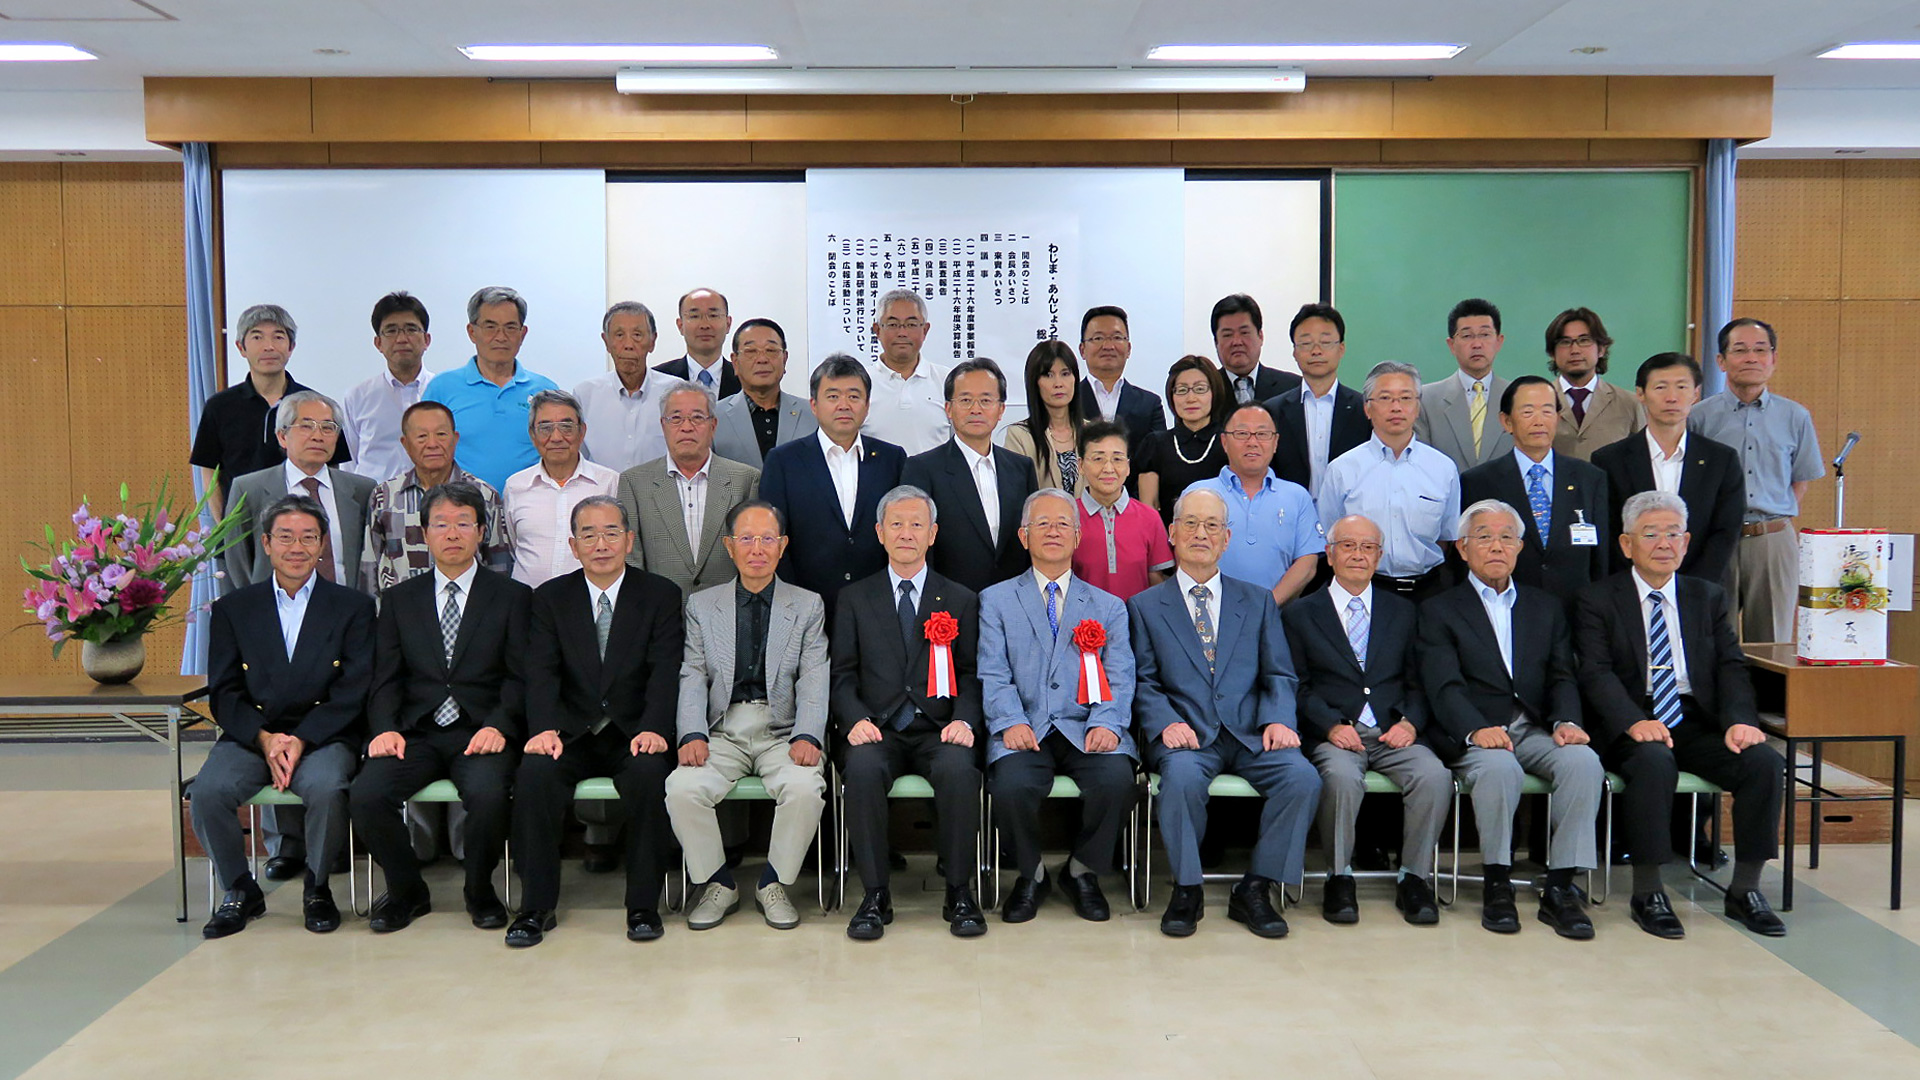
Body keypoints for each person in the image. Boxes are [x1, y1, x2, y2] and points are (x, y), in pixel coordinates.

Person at [1573, 491, 1787, 939]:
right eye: (1650, 534)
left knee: (1764, 761)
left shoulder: (1706, 596)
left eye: (1673, 534)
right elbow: (1595, 673)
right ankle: (1648, 891)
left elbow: (1730, 665)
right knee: (1652, 761)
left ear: (1686, 543)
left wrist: (1739, 721)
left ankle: (1745, 889)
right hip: (1632, 719)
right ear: (1627, 544)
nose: (1664, 543)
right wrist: (1633, 721)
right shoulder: (1598, 599)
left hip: (1696, 719)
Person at [1133, 488, 1319, 939]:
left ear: (1226, 539)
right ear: (1172, 534)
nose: (1201, 533)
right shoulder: (1143, 606)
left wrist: (1278, 718)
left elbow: (1279, 672)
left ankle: (1255, 888)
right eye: (1191, 524)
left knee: (1302, 778)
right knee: (1179, 780)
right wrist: (1166, 723)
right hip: (1188, 736)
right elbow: (1142, 681)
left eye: (1212, 525)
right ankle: (1187, 889)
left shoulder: (1256, 601)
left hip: (1252, 732)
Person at [349, 481, 532, 934]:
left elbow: (521, 675)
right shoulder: (398, 601)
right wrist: (384, 729)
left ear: (482, 532)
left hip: (481, 730)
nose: (452, 533)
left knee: (490, 797)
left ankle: (479, 889)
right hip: (417, 733)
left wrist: (501, 725)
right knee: (367, 794)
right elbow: (385, 677)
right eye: (441, 524)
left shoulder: (512, 596)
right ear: (425, 534)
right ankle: (407, 890)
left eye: (463, 524)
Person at [1418, 499, 1602, 940]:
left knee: (1584, 763)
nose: (1496, 546)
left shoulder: (1545, 607)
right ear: (1462, 548)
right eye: (1484, 536)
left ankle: (1560, 887)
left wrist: (1566, 721)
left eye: (1506, 537)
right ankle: (1497, 883)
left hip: (1535, 728)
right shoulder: (1439, 609)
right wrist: (1475, 728)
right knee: (1499, 769)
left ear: (1520, 547)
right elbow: (1443, 685)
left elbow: (1562, 675)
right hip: (1475, 732)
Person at [505, 496, 685, 948]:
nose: (600, 543)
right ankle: (535, 907)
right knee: (535, 775)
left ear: (629, 540)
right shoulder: (551, 598)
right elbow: (541, 670)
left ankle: (643, 905)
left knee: (650, 777)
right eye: (588, 534)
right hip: (570, 732)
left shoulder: (659, 594)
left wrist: (656, 728)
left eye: (610, 533)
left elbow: (667, 669)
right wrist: (543, 726)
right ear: (573, 543)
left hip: (634, 730)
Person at [192, 494, 375, 939]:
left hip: (324, 734)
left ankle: (316, 887)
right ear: (267, 544)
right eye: (286, 537)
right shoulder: (235, 608)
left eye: (308, 537)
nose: (297, 547)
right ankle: (238, 887)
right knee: (208, 791)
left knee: (329, 788)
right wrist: (265, 738)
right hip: (253, 734)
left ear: (322, 545)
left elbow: (354, 689)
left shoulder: (352, 606)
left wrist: (301, 739)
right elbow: (225, 690)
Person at [832, 486, 988, 940]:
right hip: (876, 729)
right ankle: (875, 895)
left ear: (933, 533)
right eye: (896, 524)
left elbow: (973, 672)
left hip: (939, 729)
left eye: (916, 524)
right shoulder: (854, 598)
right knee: (859, 772)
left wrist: (964, 719)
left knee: (961, 772)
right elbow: (841, 673)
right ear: (879, 533)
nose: (906, 533)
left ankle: (959, 892)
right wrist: (855, 718)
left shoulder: (959, 598)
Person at [667, 500, 829, 931]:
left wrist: (809, 735)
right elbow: (692, 674)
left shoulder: (808, 604)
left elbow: (814, 677)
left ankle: (773, 883)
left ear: (782, 546)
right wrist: (691, 733)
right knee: (682, 788)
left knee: (805, 788)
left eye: (767, 539)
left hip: (783, 730)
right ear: (729, 546)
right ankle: (718, 884)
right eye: (746, 539)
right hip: (722, 730)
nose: (757, 548)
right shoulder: (703, 605)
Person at [978, 489, 1137, 924]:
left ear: (1078, 536)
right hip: (1025, 726)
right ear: (1023, 536)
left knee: (1117, 780)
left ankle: (1082, 871)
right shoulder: (995, 600)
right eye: (1042, 524)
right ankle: (1030, 875)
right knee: (1009, 785)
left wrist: (1107, 721)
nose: (1053, 531)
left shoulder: (1108, 607)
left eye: (1063, 523)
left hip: (1085, 725)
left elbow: (1120, 674)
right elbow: (993, 671)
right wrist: (1009, 720)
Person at [1285, 514, 1450, 926]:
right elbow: (1297, 685)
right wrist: (1330, 726)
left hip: (1394, 731)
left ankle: (1414, 877)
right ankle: (1339, 877)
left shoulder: (1405, 612)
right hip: (1335, 733)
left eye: (1367, 547)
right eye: (1348, 546)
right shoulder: (1300, 614)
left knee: (1434, 776)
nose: (1358, 555)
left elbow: (1421, 678)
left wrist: (1411, 722)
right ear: (1329, 553)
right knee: (1340, 779)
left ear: (1379, 556)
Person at [1689, 318, 1825, 643]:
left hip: (1772, 539)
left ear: (1773, 359)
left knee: (1773, 640)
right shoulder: (1698, 417)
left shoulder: (1795, 416)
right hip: (1715, 539)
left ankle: (1770, 697)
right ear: (1721, 361)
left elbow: (1800, 481)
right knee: (1714, 636)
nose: (1751, 358)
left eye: (1760, 350)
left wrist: (1769, 520)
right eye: (1740, 350)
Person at [759, 354, 907, 618]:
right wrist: (791, 602)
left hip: (878, 608)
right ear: (814, 405)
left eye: (853, 396)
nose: (844, 405)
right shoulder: (783, 461)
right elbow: (774, 537)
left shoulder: (892, 459)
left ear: (867, 405)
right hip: (805, 607)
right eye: (833, 396)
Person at [1591, 353, 1745, 583]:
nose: (1672, 397)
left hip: (1701, 587)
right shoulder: (1609, 460)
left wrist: (1692, 586)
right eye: (1661, 387)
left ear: (1695, 394)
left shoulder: (1721, 460)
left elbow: (1725, 531)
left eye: (1682, 387)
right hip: (1630, 588)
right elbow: (1609, 531)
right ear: (1641, 394)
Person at [1320, 362, 1462, 603]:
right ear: (1367, 408)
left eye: (1406, 398)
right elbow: (1331, 536)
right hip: (1366, 589)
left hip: (1430, 590)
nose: (1396, 407)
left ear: (1417, 407)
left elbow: (1447, 538)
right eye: (1385, 398)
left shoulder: (1443, 468)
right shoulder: (1342, 470)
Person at [1459, 375, 1610, 602]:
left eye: (1547, 411)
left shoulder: (1589, 477)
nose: (1539, 421)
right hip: (1508, 606)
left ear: (1558, 418)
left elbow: (1601, 557)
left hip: (1576, 609)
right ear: (1506, 421)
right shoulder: (1479, 482)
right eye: (1528, 412)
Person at [191, 303, 348, 519]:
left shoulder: (316, 404)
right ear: (240, 347)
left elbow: (332, 467)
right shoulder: (219, 406)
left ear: (291, 347)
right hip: (242, 526)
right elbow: (209, 471)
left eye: (278, 337)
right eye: (257, 337)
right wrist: (224, 529)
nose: (269, 347)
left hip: (302, 528)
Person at [901, 358, 1038, 593]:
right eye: (965, 400)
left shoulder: (1021, 467)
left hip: (1014, 601)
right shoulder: (922, 468)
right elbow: (918, 547)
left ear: (1001, 409)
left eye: (986, 400)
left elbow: (1031, 540)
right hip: (949, 605)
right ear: (948, 409)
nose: (976, 409)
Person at [617, 380, 761, 596]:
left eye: (697, 418)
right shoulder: (635, 482)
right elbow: (632, 559)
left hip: (728, 613)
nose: (686, 427)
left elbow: (754, 556)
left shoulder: (746, 480)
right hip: (660, 616)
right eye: (675, 418)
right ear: (663, 425)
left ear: (713, 425)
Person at [226, 390, 377, 593]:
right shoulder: (249, 489)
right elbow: (238, 562)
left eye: (327, 428)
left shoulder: (363, 490)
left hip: (348, 611)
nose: (317, 436)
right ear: (282, 436)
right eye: (306, 426)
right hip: (275, 612)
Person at [360, 401, 512, 595]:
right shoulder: (385, 496)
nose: (432, 444)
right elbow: (369, 565)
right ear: (405, 444)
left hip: (469, 612)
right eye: (422, 436)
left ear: (455, 438)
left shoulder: (484, 494)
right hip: (403, 614)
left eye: (441, 434)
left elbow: (499, 565)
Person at [420, 286, 560, 492]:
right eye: (490, 327)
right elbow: (422, 452)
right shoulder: (442, 389)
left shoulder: (545, 390)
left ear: (523, 333)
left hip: (530, 507)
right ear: (472, 332)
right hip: (462, 511)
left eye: (510, 327)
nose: (501, 336)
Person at [1184, 404, 1324, 605]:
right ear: (1224, 441)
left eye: (1262, 434)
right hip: (1209, 614)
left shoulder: (1297, 496)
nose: (1252, 442)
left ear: (1275, 442)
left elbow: (1307, 564)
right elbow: (1185, 556)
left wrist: (1267, 606)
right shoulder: (1197, 494)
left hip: (1278, 617)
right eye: (1242, 434)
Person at [504, 389, 621, 588]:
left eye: (566, 427)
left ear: (582, 431)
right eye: (545, 427)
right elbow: (513, 546)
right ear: (532, 435)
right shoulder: (516, 486)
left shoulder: (609, 482)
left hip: (588, 605)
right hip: (527, 604)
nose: (556, 437)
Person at [1264, 303, 1369, 499]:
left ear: (1341, 349)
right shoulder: (1272, 411)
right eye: (1306, 343)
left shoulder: (1364, 410)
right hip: (1289, 517)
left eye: (1326, 342)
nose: (1316, 351)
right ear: (1294, 352)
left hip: (1348, 519)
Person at [1071, 421, 1173, 602]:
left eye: (1117, 459)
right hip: (1082, 626)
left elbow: (1156, 580)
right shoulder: (1068, 518)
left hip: (1136, 623)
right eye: (1098, 458)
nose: (1108, 468)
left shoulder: (1149, 518)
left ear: (1128, 466)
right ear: (1080, 465)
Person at [340, 291, 437, 483]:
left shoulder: (443, 391)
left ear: (427, 340)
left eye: (411, 329)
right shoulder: (357, 396)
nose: (402, 339)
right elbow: (349, 464)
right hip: (374, 503)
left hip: (433, 501)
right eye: (391, 331)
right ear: (378, 343)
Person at [1415, 298, 1514, 473]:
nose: (1477, 344)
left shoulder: (1517, 397)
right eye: (1467, 336)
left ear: (1499, 341)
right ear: (1451, 345)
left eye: (1485, 334)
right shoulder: (1425, 400)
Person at [574, 301, 673, 473]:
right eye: (619, 335)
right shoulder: (585, 394)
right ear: (606, 341)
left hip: (659, 496)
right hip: (601, 496)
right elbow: (577, 459)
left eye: (637, 335)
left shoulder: (675, 392)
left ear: (652, 341)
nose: (628, 344)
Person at [1137, 356, 1230, 526]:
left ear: (1214, 392)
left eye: (1200, 389)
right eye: (1181, 390)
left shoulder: (1229, 442)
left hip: (1222, 544)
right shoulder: (1156, 444)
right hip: (1168, 543)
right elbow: (1148, 511)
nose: (1191, 398)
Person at [712, 317, 817, 468]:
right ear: (735, 362)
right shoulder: (712, 416)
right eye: (751, 351)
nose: (762, 359)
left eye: (771, 350)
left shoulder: (814, 414)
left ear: (785, 359)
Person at [1544, 307, 1643, 461]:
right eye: (1565, 342)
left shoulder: (1629, 403)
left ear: (1602, 349)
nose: (1575, 350)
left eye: (1584, 340)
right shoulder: (1540, 401)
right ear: (1552, 352)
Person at [1074, 306, 1166, 470]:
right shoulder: (1069, 400)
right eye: (1098, 338)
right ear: (1082, 350)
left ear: (1128, 349)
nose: (1108, 346)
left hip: (1134, 495)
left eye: (1117, 337)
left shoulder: (1150, 404)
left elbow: (1156, 463)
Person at [862, 288, 951, 455]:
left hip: (934, 481)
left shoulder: (947, 381)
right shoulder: (860, 383)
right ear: (877, 330)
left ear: (925, 330)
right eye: (893, 324)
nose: (902, 333)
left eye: (911, 325)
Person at [1001, 340, 1087, 495]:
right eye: (1048, 375)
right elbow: (1015, 496)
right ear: (1035, 382)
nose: (1058, 383)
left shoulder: (1094, 432)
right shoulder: (1019, 436)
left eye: (1065, 374)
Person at [1211, 293, 1301, 405]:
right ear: (1216, 342)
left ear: (1260, 336)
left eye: (1244, 333)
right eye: (1228, 335)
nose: (1237, 342)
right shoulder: (1207, 390)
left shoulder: (1293, 387)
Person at [653, 287, 740, 397]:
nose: (704, 325)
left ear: (728, 324)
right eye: (694, 316)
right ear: (680, 326)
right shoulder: (657, 379)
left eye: (713, 316)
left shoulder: (745, 378)